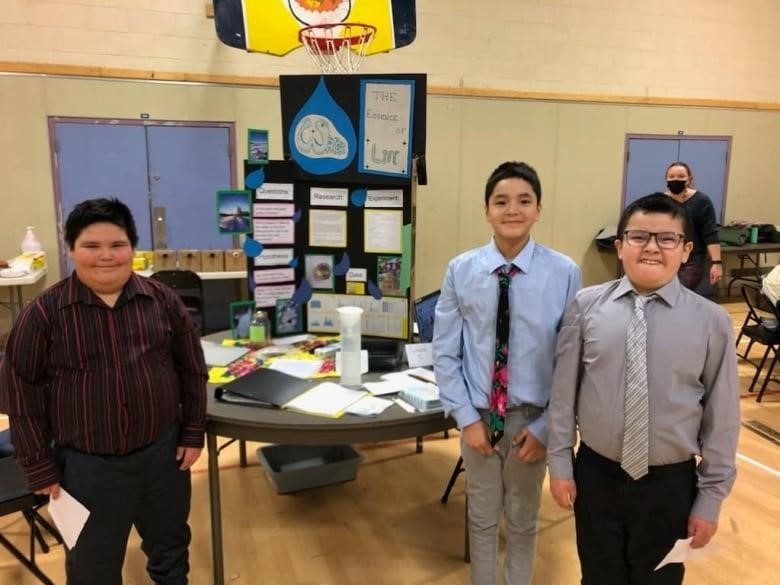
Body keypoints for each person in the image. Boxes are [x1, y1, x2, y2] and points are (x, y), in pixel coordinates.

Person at [0, 198, 208, 585]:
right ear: (71, 250)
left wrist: (193, 431)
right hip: (87, 468)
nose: (106, 257)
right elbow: (20, 394)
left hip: (162, 458)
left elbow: (192, 369)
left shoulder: (162, 301)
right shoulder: (44, 314)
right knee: (92, 567)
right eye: (91, 246)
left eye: (117, 245)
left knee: (171, 550)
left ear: (133, 247)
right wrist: (38, 465)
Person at [547, 193, 740, 585]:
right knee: (598, 576)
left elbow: (723, 420)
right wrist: (560, 463)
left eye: (667, 239)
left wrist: (710, 499)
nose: (652, 247)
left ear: (687, 251)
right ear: (619, 246)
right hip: (597, 475)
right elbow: (564, 394)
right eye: (638, 236)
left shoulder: (712, 322)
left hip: (669, 485)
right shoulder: (585, 307)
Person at [434, 161, 581, 585]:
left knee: (521, 519)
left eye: (523, 201)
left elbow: (570, 361)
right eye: (501, 201)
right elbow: (445, 352)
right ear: (486, 210)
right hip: (479, 418)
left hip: (531, 423)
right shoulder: (461, 270)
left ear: (538, 209)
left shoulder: (565, 273)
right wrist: (466, 419)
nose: (512, 210)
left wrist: (546, 427)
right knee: (480, 518)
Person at [664, 161, 723, 294]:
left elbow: (710, 233)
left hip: (693, 259)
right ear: (666, 179)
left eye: (681, 176)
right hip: (667, 256)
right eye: (671, 176)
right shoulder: (661, 201)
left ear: (689, 179)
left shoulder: (701, 200)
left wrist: (717, 263)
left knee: (678, 293)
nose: (676, 180)